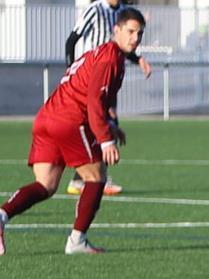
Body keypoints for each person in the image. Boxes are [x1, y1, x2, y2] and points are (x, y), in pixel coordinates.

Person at [0, 8, 145, 256]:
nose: (135, 38)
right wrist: (105, 140)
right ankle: (77, 240)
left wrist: (109, 126)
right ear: (117, 30)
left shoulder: (101, 54)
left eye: (140, 33)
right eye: (131, 31)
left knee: (46, 185)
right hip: (69, 120)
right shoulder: (110, 58)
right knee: (96, 177)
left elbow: (92, 96)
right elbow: (93, 102)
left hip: (46, 118)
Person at [63, 0, 151, 196]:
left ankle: (83, 178)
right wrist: (71, 70)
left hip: (109, 75)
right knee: (100, 122)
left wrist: (138, 59)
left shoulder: (121, 12)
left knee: (108, 122)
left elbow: (122, 47)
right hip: (92, 76)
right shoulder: (95, 10)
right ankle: (94, 176)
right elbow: (71, 40)